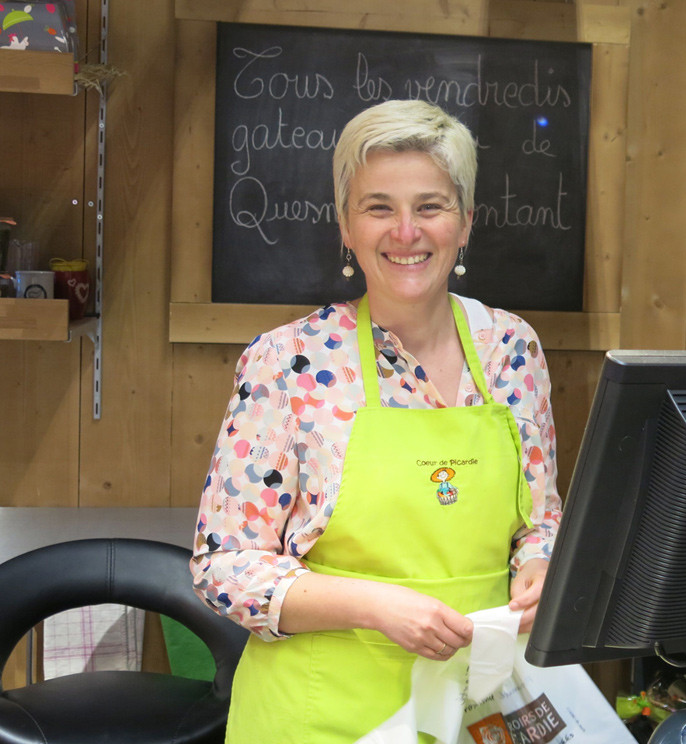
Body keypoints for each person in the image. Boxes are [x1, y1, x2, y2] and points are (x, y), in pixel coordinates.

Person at [191, 99, 562, 742]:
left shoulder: (513, 351)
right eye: (379, 207)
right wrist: (374, 606)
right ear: (345, 226)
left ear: (466, 222)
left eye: (430, 206)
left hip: (477, 708)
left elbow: (540, 518)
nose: (406, 232)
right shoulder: (288, 363)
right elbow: (224, 566)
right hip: (321, 714)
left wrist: (541, 566)